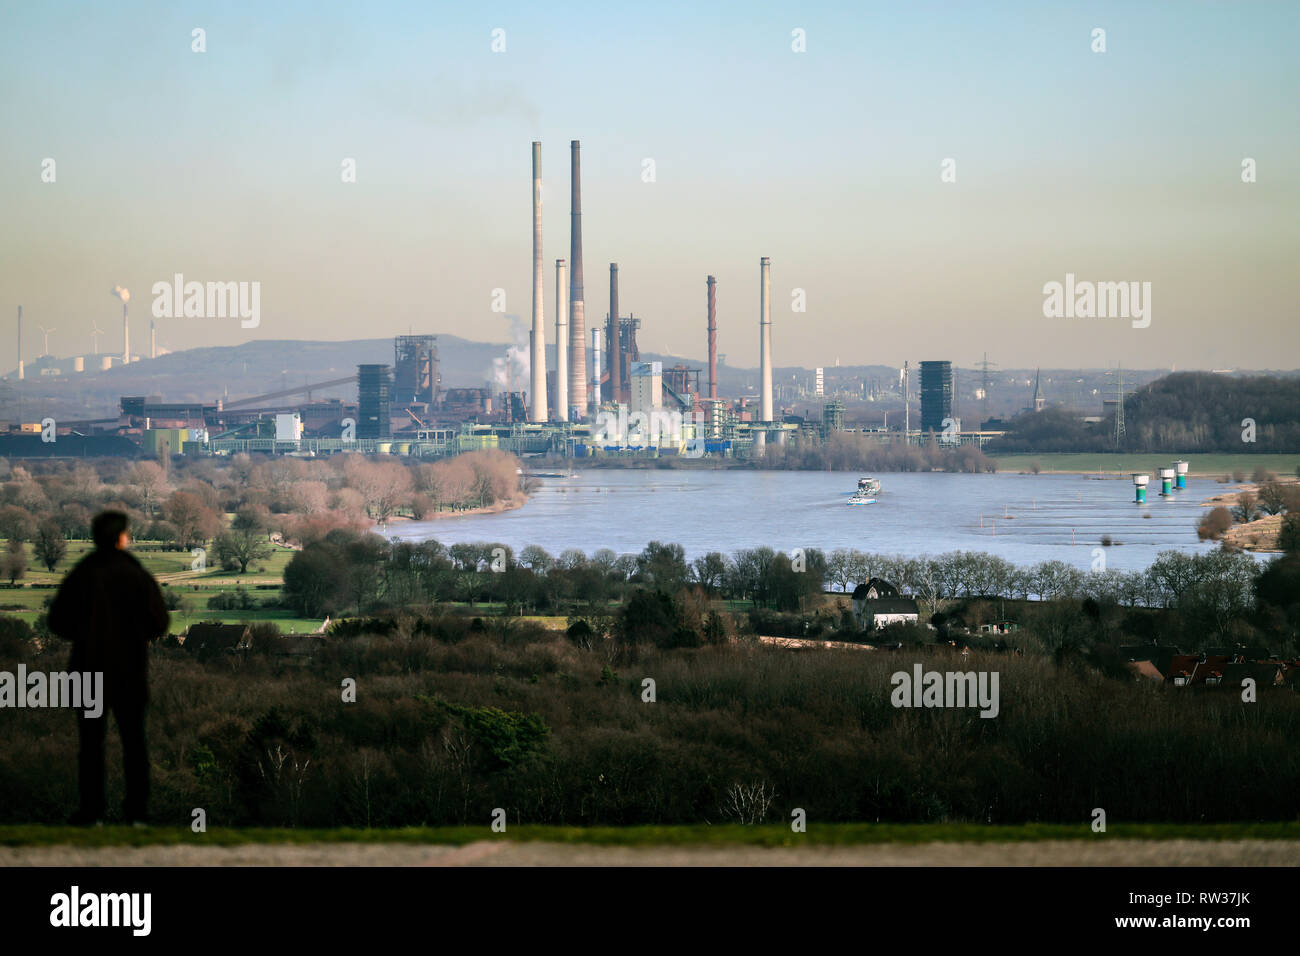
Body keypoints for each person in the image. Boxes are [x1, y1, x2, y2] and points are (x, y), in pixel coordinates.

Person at [49, 511, 169, 825]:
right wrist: (135, 636)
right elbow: (160, 622)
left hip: (88, 668)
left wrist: (85, 634)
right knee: (134, 741)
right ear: (121, 538)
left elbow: (57, 621)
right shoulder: (136, 574)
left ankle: (92, 811)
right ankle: (137, 813)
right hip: (129, 669)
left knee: (90, 744)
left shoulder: (82, 574)